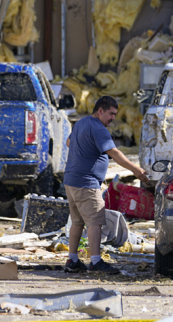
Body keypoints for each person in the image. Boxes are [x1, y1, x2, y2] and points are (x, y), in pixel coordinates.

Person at [63, 96, 150, 274]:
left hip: (71, 181)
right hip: (86, 183)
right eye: (111, 114)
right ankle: (95, 262)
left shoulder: (81, 123)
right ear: (100, 110)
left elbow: (69, 142)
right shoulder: (98, 127)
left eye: (115, 115)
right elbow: (114, 152)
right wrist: (137, 171)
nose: (112, 118)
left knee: (77, 222)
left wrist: (84, 151)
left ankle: (72, 260)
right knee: (95, 222)